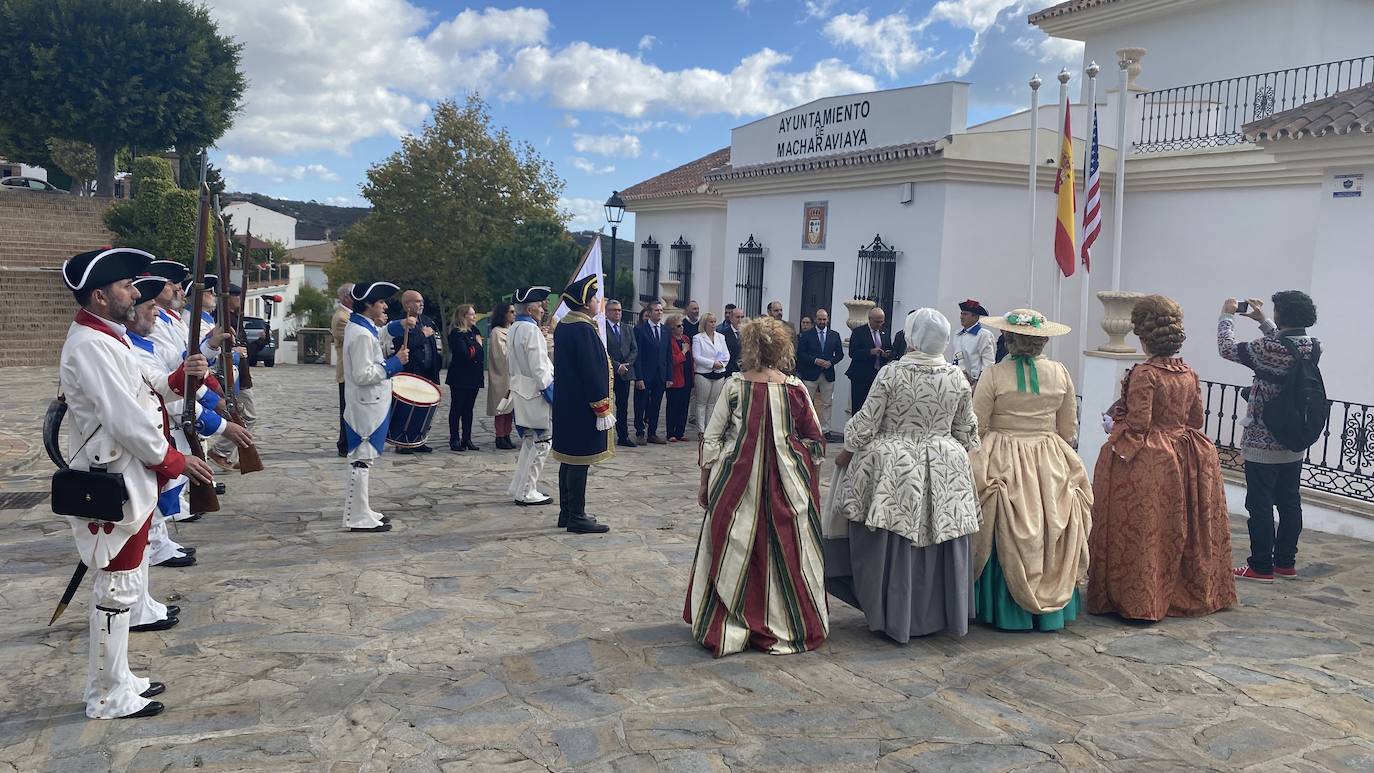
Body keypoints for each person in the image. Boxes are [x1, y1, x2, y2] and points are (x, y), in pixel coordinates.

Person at [58, 247, 216, 719]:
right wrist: (172, 459)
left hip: (128, 473)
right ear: (101, 296)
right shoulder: (91, 344)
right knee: (116, 587)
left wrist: (178, 378)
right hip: (113, 476)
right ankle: (105, 695)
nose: (134, 292)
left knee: (123, 583)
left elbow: (144, 390)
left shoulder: (109, 336)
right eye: (126, 286)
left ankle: (119, 679)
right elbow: (125, 418)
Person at [828, 309, 981, 641]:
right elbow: (966, 430)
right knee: (939, 532)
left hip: (894, 463)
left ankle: (894, 614)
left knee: (894, 533)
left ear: (913, 337)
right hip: (945, 461)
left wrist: (848, 450)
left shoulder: (891, 373)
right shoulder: (957, 376)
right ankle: (938, 614)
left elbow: (867, 421)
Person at [685, 316, 828, 657]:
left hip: (736, 482)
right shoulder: (795, 388)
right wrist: (810, 485)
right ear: (783, 348)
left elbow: (714, 437)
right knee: (787, 551)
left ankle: (732, 620)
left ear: (749, 346)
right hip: (787, 484)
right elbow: (815, 440)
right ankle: (783, 621)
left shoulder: (735, 387)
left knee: (734, 544)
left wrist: (705, 482)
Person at [1089, 295, 1237, 620]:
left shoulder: (1146, 373)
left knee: (1151, 528)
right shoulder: (1188, 372)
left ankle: (1145, 597)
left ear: (1142, 334)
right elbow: (1195, 420)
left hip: (1156, 459)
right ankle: (1186, 590)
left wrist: (1113, 424)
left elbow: (1139, 424)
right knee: (1184, 526)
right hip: (1188, 453)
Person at [969, 309, 1091, 631]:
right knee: (1051, 522)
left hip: (1003, 453)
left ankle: (1005, 609)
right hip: (1048, 453)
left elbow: (977, 424)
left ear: (1009, 339)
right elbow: (1068, 428)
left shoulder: (993, 374)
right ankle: (1050, 608)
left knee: (1004, 522)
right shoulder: (1060, 372)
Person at [1219, 291, 1321, 582]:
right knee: (1289, 501)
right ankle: (1285, 563)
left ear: (1282, 315)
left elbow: (1226, 349)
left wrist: (1226, 315)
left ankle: (1260, 565)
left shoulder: (1267, 347)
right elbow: (1286, 344)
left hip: (1262, 438)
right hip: (1294, 436)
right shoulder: (1314, 346)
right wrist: (1262, 321)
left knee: (1259, 503)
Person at [342, 281, 409, 533]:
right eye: (380, 301)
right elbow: (362, 374)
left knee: (364, 460)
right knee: (361, 460)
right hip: (365, 404)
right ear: (368, 304)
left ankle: (362, 510)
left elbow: (378, 335)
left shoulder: (363, 326)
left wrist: (396, 325)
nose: (385, 305)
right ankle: (356, 517)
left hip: (371, 403)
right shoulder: (359, 333)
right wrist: (394, 363)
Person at [551, 275, 615, 534]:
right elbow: (591, 370)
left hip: (569, 403)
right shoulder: (583, 329)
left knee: (569, 458)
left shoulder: (566, 325)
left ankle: (566, 512)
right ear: (586, 303)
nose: (598, 301)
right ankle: (577, 515)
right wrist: (601, 407)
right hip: (583, 406)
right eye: (595, 298)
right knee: (579, 459)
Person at [506, 287, 556, 506]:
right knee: (542, 442)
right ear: (530, 308)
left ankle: (519, 486)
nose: (543, 308)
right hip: (536, 393)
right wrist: (552, 393)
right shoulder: (531, 330)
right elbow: (539, 369)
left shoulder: (515, 327)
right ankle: (527, 490)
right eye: (540, 304)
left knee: (529, 442)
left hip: (520, 389)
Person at [205, 283, 255, 471]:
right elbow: (217, 350)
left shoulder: (235, 319)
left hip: (239, 374)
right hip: (231, 378)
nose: (240, 301)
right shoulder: (222, 320)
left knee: (243, 417)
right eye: (237, 297)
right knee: (248, 417)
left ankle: (228, 455)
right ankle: (221, 451)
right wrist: (234, 352)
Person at [391, 290, 440, 454]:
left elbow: (433, 345)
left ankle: (418, 440)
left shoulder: (426, 320)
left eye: (422, 301)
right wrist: (422, 335)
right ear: (407, 304)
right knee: (406, 410)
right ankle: (402, 442)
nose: (421, 304)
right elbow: (405, 345)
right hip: (411, 371)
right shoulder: (400, 323)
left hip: (427, 372)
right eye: (418, 301)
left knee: (422, 409)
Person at [797, 307, 845, 441]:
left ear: (828, 319)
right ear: (815, 319)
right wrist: (815, 360)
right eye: (819, 319)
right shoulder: (807, 335)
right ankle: (806, 428)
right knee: (807, 403)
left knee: (827, 403)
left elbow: (840, 354)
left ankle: (826, 430)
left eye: (824, 319)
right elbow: (800, 354)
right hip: (811, 373)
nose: (822, 321)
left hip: (828, 373)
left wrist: (831, 362)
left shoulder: (834, 335)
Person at [445, 304, 483, 452]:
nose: (474, 317)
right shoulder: (456, 333)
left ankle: (467, 438)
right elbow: (464, 353)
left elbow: (478, 353)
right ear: (463, 316)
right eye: (471, 314)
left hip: (474, 374)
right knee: (457, 408)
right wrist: (477, 346)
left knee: (469, 409)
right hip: (460, 376)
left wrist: (475, 347)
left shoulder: (474, 330)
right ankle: (454, 438)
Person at [604, 299, 639, 448]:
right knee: (606, 405)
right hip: (609, 372)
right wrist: (617, 366)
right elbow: (603, 351)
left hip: (625, 373)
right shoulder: (602, 329)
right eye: (614, 310)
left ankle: (623, 435)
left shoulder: (627, 328)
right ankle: (604, 434)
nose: (617, 313)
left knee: (623, 406)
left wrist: (627, 365)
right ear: (607, 312)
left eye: (619, 310)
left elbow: (634, 349)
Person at [845, 307, 892, 415]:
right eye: (877, 322)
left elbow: (889, 348)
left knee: (875, 407)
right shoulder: (859, 332)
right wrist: (870, 351)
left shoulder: (885, 332)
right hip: (861, 376)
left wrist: (887, 354)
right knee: (859, 406)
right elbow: (852, 353)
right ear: (870, 319)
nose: (879, 324)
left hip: (878, 376)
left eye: (882, 322)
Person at [635, 300, 670, 444]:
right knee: (640, 404)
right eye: (656, 310)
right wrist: (639, 377)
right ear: (649, 313)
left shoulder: (665, 331)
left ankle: (652, 433)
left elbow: (668, 355)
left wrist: (669, 376)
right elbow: (638, 355)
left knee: (656, 405)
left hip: (660, 375)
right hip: (645, 374)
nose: (659, 313)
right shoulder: (640, 330)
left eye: (661, 310)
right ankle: (639, 432)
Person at [691, 311, 729, 435]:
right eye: (710, 322)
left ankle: (709, 429)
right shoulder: (698, 338)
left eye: (714, 322)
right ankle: (701, 429)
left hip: (719, 373)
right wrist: (712, 363)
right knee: (702, 402)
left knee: (713, 403)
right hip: (704, 373)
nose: (713, 324)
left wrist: (721, 364)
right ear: (705, 323)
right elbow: (697, 356)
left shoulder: (720, 337)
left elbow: (726, 354)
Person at [487, 302, 516, 450]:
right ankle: (500, 436)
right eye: (511, 312)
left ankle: (507, 434)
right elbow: (500, 355)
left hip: (512, 375)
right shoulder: (496, 333)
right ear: (503, 314)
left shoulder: (512, 330)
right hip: (501, 375)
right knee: (501, 407)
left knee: (510, 408)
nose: (514, 314)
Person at [953, 299, 997, 389]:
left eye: (965, 314)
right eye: (961, 313)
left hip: (973, 384)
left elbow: (988, 364)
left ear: (975, 317)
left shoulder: (984, 335)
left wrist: (979, 385)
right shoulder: (957, 334)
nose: (961, 317)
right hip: (956, 381)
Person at [332, 283, 354, 457]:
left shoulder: (348, 316)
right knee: (347, 411)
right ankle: (345, 444)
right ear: (346, 297)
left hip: (351, 372)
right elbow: (352, 342)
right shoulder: (342, 317)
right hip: (347, 372)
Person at [664, 315, 692, 442]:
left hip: (687, 376)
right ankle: (671, 433)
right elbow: (673, 360)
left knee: (684, 405)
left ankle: (680, 431)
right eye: (678, 326)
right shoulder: (669, 341)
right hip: (675, 377)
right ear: (671, 328)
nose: (681, 328)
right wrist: (684, 352)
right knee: (673, 406)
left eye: (682, 325)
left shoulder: (686, 339)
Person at [682, 300, 701, 430]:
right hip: (685, 362)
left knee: (697, 392)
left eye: (697, 308)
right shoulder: (682, 325)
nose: (696, 311)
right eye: (693, 309)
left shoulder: (700, 325)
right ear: (687, 310)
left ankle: (694, 415)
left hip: (699, 362)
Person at [721, 306, 745, 374]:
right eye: (737, 317)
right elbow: (723, 356)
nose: (740, 320)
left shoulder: (748, 333)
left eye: (742, 317)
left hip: (746, 373)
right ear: (731, 319)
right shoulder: (723, 334)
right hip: (729, 372)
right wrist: (734, 372)